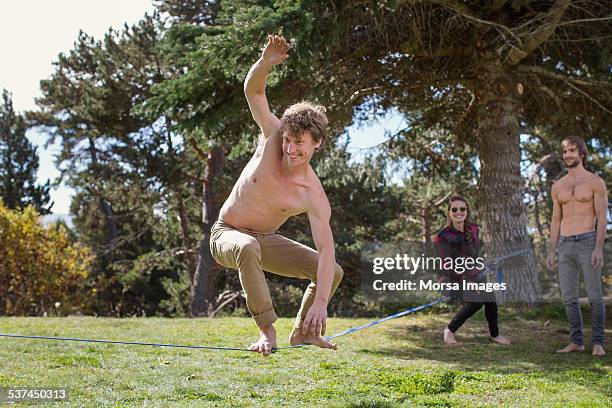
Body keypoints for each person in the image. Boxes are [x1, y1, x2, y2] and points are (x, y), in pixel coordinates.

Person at [209, 34, 343, 356]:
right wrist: (265, 63)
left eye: (300, 143)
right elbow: (253, 91)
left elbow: (326, 249)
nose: (290, 148)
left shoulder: (312, 193)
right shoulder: (272, 135)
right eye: (289, 139)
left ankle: (303, 332)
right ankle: (267, 332)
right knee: (247, 245)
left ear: (316, 144)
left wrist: (321, 302)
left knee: (331, 270)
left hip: (264, 240)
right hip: (227, 234)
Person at [547, 136, 607, 357]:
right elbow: (555, 220)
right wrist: (552, 250)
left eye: (572, 150)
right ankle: (577, 341)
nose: (568, 155)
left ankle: (598, 342)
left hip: (588, 241)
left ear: (582, 153)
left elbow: (602, 216)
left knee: (594, 295)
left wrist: (598, 247)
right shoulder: (558, 186)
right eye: (565, 151)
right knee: (569, 297)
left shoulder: (595, 182)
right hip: (565, 244)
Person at [434, 196, 510, 346]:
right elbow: (446, 266)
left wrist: (486, 263)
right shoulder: (442, 237)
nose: (459, 212)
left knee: (490, 298)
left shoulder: (474, 229)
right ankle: (449, 331)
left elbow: (474, 257)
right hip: (449, 279)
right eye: (454, 209)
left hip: (472, 276)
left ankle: (495, 335)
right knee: (476, 301)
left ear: (467, 211)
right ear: (449, 213)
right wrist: (466, 280)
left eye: (462, 209)